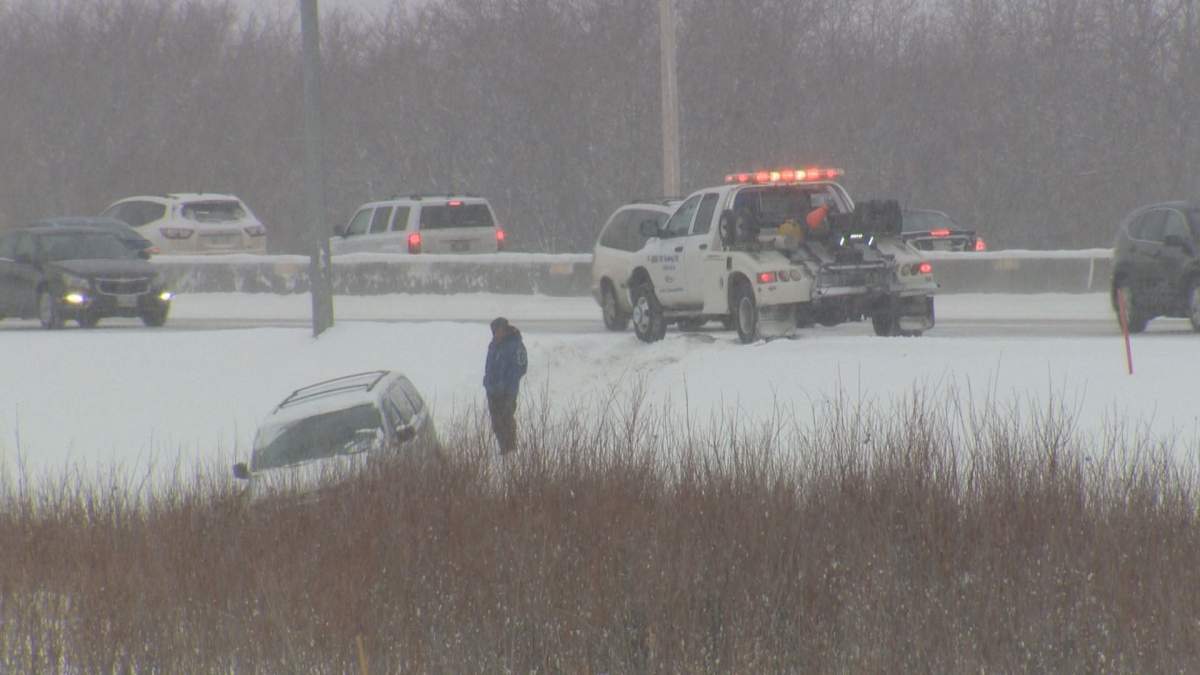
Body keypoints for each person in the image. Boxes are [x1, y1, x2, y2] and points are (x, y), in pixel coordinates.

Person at [483, 317, 527, 454]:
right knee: (496, 423)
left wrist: (506, 384)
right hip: (492, 391)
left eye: (500, 330)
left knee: (506, 420)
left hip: (508, 392)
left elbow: (521, 367)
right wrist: (487, 381)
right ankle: (503, 448)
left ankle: (510, 450)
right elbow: (489, 366)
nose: (497, 333)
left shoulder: (516, 344)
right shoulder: (493, 345)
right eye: (495, 331)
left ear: (505, 329)